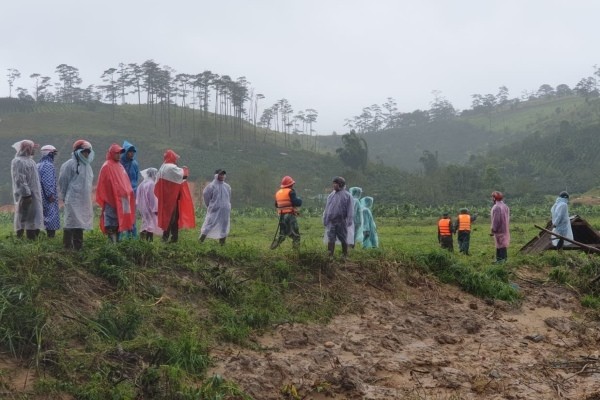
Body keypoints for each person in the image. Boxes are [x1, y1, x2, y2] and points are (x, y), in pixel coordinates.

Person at [58, 140, 95, 250]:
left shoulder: (88, 167)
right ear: (77, 151)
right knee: (70, 222)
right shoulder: (69, 164)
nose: (86, 154)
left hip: (83, 200)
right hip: (72, 199)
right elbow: (63, 181)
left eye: (88, 152)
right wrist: (64, 197)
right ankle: (67, 248)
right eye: (84, 151)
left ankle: (78, 248)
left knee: (80, 223)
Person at [95, 143, 136, 243]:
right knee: (111, 224)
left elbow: (125, 183)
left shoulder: (120, 166)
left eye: (120, 153)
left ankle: (117, 245)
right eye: (117, 153)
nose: (119, 155)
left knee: (119, 224)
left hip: (122, 201)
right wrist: (112, 196)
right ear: (112, 153)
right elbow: (103, 185)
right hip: (111, 201)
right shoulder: (106, 166)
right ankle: (112, 247)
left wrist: (127, 193)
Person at [154, 149, 195, 243]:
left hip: (166, 198)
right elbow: (184, 175)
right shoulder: (171, 167)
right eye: (175, 158)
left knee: (170, 217)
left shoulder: (162, 167)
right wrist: (185, 168)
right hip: (171, 198)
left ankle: (171, 238)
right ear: (172, 157)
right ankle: (169, 238)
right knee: (172, 218)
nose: (176, 160)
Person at [11, 140, 44, 240]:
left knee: (33, 215)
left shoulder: (31, 161)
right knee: (22, 215)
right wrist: (27, 194)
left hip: (34, 194)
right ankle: (19, 238)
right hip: (25, 195)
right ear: (27, 149)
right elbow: (20, 179)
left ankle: (32, 237)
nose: (34, 150)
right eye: (33, 148)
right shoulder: (18, 161)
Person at [323, 176, 354, 260]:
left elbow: (350, 209)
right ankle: (330, 256)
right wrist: (325, 219)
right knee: (331, 238)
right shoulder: (331, 195)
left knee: (343, 238)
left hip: (342, 221)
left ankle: (345, 255)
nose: (334, 186)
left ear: (340, 184)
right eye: (333, 184)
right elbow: (327, 208)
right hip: (331, 221)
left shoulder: (347, 196)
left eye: (335, 184)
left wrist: (349, 221)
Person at [199, 169, 231, 245]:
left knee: (224, 225)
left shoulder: (227, 186)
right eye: (220, 174)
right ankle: (200, 241)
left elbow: (229, 197)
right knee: (209, 224)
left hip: (225, 211)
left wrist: (227, 206)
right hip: (214, 210)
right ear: (216, 175)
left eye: (223, 174)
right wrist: (211, 206)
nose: (222, 176)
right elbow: (206, 196)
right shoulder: (211, 186)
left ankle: (222, 243)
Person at [271, 175, 302, 249]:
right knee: (296, 235)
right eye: (292, 184)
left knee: (282, 234)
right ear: (290, 184)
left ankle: (274, 246)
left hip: (281, 216)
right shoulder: (291, 192)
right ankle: (295, 253)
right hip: (289, 215)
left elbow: (276, 204)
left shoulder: (278, 193)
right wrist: (300, 200)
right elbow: (297, 203)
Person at [37, 145, 60, 238]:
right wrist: (50, 194)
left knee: (41, 217)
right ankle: (51, 238)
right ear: (49, 154)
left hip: (39, 196)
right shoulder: (48, 165)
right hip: (47, 197)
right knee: (51, 216)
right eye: (53, 154)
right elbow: (48, 181)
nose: (54, 156)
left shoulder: (38, 164)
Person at [119, 140, 140, 238]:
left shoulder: (135, 164)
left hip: (133, 193)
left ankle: (131, 236)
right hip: (123, 194)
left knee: (131, 215)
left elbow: (136, 178)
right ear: (125, 152)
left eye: (133, 152)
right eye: (129, 151)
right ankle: (121, 237)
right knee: (124, 215)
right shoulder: (120, 164)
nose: (131, 153)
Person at [136, 168, 160, 241]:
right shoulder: (151, 184)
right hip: (149, 207)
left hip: (143, 207)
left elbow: (138, 195)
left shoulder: (143, 183)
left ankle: (142, 240)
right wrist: (155, 208)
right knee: (150, 224)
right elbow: (152, 197)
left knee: (145, 223)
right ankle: (149, 240)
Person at [490, 191, 510, 262]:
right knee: (501, 244)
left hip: (499, 229)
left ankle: (502, 260)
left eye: (492, 197)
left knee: (501, 245)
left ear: (494, 198)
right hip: (505, 228)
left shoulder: (496, 207)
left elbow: (496, 220)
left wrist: (493, 229)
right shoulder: (505, 206)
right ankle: (499, 260)